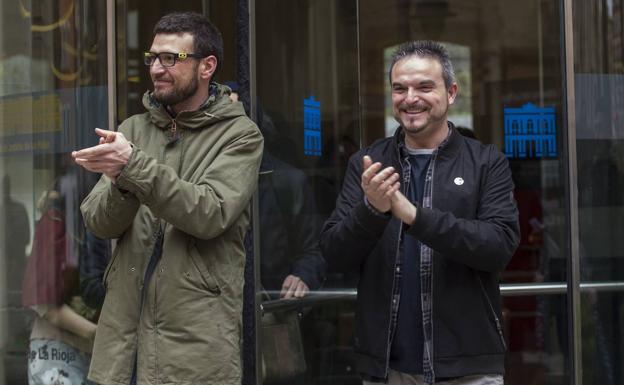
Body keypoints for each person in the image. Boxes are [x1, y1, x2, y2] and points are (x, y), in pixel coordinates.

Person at [72, 11, 263, 385]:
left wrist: (133, 166)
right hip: (120, 347)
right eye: (153, 58)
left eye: (171, 58)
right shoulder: (133, 129)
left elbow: (210, 212)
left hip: (194, 352)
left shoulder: (241, 135)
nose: (157, 68)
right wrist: (123, 181)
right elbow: (98, 221)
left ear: (207, 66)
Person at [319, 40, 520, 385]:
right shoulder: (368, 164)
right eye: (400, 88)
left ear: (452, 92)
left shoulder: (486, 162)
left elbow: (498, 246)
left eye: (424, 86)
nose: (410, 98)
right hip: (387, 369)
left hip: (468, 368)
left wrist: (415, 216)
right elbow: (334, 254)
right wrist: (372, 210)